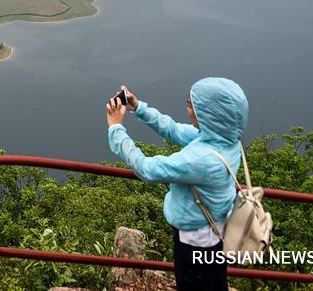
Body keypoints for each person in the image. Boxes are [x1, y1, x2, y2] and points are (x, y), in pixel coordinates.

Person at [105, 78, 248, 291]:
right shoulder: (225, 139)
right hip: (218, 234)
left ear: (207, 114)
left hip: (194, 243)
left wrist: (116, 129)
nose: (187, 107)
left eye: (191, 104)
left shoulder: (201, 160)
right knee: (216, 283)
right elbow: (173, 129)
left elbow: (147, 168)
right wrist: (138, 107)